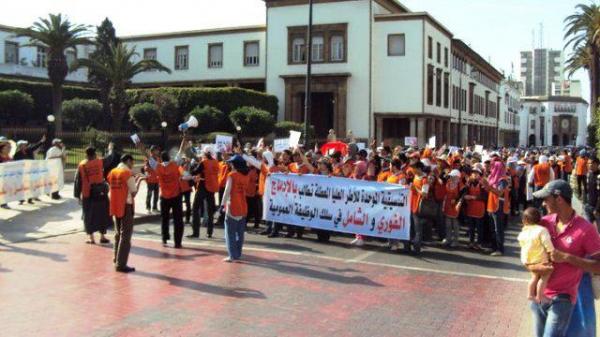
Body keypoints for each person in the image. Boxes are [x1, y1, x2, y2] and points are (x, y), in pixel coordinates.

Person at [529, 180, 600, 337]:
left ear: (559, 199)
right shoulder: (544, 223)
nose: (543, 203)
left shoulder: (586, 229)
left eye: (546, 199)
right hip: (538, 296)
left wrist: (567, 257)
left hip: (562, 299)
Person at [144, 139, 186, 248]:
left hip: (164, 197)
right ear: (169, 158)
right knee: (178, 220)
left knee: (165, 219)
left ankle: (164, 238)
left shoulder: (158, 167)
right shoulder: (175, 164)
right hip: (176, 196)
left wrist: (137, 143)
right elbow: (181, 150)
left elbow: (146, 154)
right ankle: (178, 242)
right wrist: (184, 138)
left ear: (161, 159)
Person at [107, 154, 144, 273]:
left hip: (115, 204)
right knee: (125, 235)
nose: (133, 165)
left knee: (118, 234)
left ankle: (116, 259)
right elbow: (133, 192)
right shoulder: (127, 173)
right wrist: (139, 180)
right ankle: (121, 264)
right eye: (132, 163)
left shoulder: (113, 172)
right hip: (125, 205)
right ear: (128, 161)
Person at [74, 147, 111, 244]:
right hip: (100, 192)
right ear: (95, 154)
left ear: (86, 155)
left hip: (88, 193)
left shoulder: (82, 165)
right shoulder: (100, 162)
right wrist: (110, 148)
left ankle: (91, 238)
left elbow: (78, 181)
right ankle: (103, 236)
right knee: (102, 214)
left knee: (88, 215)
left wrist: (77, 195)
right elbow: (110, 158)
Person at [518, 207, 554, 303]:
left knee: (534, 277)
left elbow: (521, 244)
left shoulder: (524, 231)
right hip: (541, 259)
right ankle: (540, 296)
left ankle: (530, 294)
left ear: (524, 220)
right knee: (544, 277)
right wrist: (551, 252)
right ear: (539, 219)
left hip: (529, 260)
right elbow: (547, 243)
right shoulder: (542, 230)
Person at [220, 153, 250, 262]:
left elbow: (227, 192)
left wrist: (222, 205)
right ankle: (238, 253)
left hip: (232, 206)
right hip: (243, 206)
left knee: (230, 233)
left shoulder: (232, 175)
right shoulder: (246, 175)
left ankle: (232, 255)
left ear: (235, 164)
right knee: (240, 233)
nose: (231, 164)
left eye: (232, 163)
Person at [188, 148, 220, 238]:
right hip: (212, 187)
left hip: (203, 186)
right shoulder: (216, 162)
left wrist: (192, 167)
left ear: (205, 154)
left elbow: (194, 171)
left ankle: (196, 232)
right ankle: (209, 232)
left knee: (195, 208)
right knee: (210, 211)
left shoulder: (204, 162)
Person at [484, 157, 510, 256]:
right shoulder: (493, 177)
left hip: (498, 206)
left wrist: (488, 186)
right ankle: (493, 247)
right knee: (492, 228)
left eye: (493, 167)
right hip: (491, 205)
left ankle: (500, 249)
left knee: (498, 229)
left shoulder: (503, 180)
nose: (491, 168)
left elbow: (499, 192)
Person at [14, 135, 46, 204]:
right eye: (23, 145)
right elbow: (15, 164)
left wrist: (41, 141)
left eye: (25, 144)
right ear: (20, 146)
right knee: (22, 186)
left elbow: (35, 147)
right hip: (22, 172)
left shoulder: (29, 150)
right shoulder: (17, 154)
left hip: (30, 171)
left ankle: (30, 199)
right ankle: (21, 199)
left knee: (31, 185)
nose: (25, 145)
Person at [442, 169, 462, 247]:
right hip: (447, 204)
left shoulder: (460, 185)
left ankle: (456, 240)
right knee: (448, 224)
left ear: (457, 177)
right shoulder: (448, 182)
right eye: (451, 176)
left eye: (453, 176)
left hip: (455, 206)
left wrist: (456, 200)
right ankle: (448, 239)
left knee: (455, 225)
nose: (451, 177)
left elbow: (462, 195)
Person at [142, 145, 160, 214]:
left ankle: (155, 208)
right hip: (151, 180)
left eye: (158, 150)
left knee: (156, 194)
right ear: (152, 151)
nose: (158, 151)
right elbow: (145, 168)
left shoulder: (158, 158)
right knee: (149, 194)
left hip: (157, 180)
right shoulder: (148, 159)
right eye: (156, 150)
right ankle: (148, 208)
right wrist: (153, 169)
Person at [584, 157, 600, 226]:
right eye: (588, 163)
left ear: (597, 164)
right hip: (588, 206)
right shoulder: (589, 174)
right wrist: (585, 203)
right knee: (588, 229)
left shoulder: (599, 177)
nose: (589, 165)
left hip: (597, 209)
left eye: (591, 163)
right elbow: (587, 190)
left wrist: (597, 209)